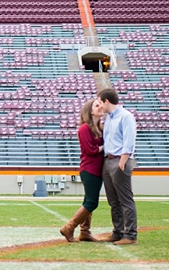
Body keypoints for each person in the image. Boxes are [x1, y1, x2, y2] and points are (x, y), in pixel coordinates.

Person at [59, 98, 105, 242]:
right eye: (97, 105)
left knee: (88, 200)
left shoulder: (100, 127)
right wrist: (105, 147)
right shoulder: (84, 128)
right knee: (92, 202)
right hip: (89, 169)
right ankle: (69, 227)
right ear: (90, 110)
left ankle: (85, 232)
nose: (101, 107)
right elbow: (90, 150)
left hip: (97, 169)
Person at [98, 87, 138, 245]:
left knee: (125, 200)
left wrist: (123, 160)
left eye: (100, 102)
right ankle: (118, 232)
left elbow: (129, 140)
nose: (100, 106)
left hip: (119, 160)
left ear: (107, 101)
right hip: (108, 161)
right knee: (113, 201)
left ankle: (130, 235)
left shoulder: (125, 116)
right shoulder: (109, 118)